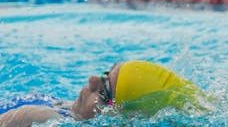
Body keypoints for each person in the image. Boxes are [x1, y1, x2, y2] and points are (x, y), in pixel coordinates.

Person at [0, 61, 210, 126]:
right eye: (106, 74)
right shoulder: (60, 108)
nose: (92, 79)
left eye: (104, 91)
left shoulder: (39, 117)